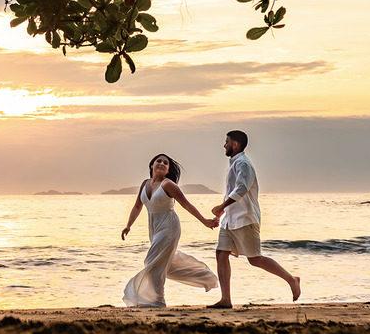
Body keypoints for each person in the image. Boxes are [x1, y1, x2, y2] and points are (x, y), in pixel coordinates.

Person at [208, 130, 301, 307]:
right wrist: (221, 214)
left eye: (226, 141)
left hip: (245, 218)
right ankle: (226, 299)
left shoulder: (243, 163)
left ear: (235, 145)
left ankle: (292, 280)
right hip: (231, 219)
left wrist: (221, 207)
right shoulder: (234, 163)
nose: (224, 145)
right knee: (221, 253)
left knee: (255, 259)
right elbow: (231, 192)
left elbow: (241, 189)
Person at [121, 153, 219, 307]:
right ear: (151, 165)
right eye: (158, 161)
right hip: (154, 228)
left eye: (165, 163)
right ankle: (205, 276)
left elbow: (187, 205)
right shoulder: (145, 184)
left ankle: (158, 300)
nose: (161, 163)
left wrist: (205, 221)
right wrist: (128, 225)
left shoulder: (168, 185)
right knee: (165, 263)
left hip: (169, 227)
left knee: (151, 261)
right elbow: (137, 206)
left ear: (168, 170)